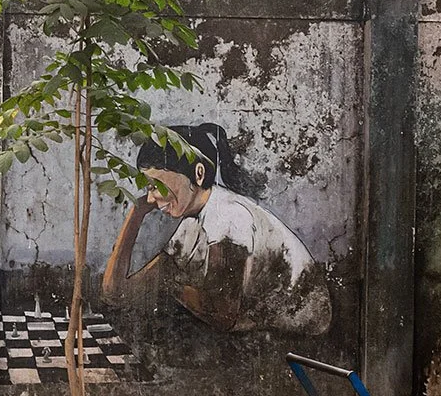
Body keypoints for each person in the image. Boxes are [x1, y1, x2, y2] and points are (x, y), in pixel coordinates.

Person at [100, 123, 331, 335]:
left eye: (157, 185)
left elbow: (222, 314)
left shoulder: (229, 217)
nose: (151, 197)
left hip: (296, 338)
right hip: (258, 333)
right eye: (148, 187)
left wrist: (170, 283)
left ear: (198, 174)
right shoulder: (191, 225)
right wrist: (135, 216)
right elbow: (117, 294)